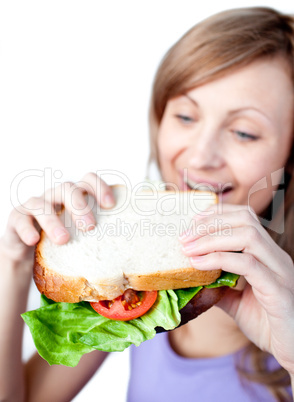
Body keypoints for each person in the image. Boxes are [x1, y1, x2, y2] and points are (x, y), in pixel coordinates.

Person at [0, 6, 293, 402]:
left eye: (244, 132)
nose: (200, 155)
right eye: (186, 116)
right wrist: (13, 263)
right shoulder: (130, 283)